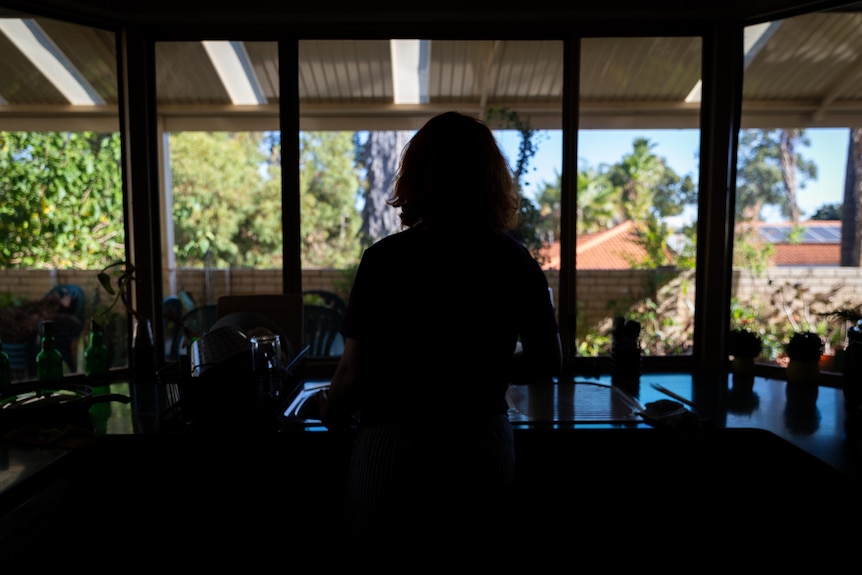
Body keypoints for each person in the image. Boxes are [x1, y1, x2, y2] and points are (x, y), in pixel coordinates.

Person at [319, 111, 562, 544]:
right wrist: (482, 368)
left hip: (393, 450)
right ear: (491, 180)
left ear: (417, 177)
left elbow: (353, 373)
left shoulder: (385, 260)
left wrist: (330, 412)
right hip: (481, 447)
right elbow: (547, 360)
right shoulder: (514, 260)